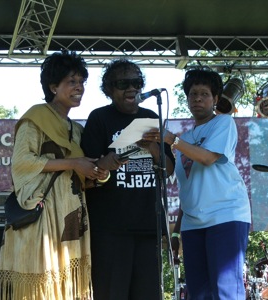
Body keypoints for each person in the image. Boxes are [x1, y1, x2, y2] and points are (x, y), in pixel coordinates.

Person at [0, 51, 108, 299]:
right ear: (53, 86)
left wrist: (97, 172)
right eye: (72, 82)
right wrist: (74, 162)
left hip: (70, 214)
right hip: (43, 215)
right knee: (41, 287)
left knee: (68, 287)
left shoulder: (77, 129)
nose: (79, 88)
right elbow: (22, 162)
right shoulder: (35, 119)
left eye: (81, 82)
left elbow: (79, 175)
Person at [146, 68, 251, 299]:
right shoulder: (187, 137)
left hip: (226, 215)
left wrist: (172, 140)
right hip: (193, 222)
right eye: (193, 94)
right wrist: (150, 145)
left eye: (204, 94)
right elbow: (173, 173)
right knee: (197, 292)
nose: (197, 99)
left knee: (226, 290)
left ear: (215, 99)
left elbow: (208, 158)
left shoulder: (223, 123)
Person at [81, 58, 175, 300]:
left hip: (148, 226)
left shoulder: (151, 115)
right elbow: (86, 169)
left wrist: (152, 147)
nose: (131, 88)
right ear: (109, 90)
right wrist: (107, 162)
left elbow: (169, 169)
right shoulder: (99, 118)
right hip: (110, 228)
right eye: (123, 83)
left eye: (136, 82)